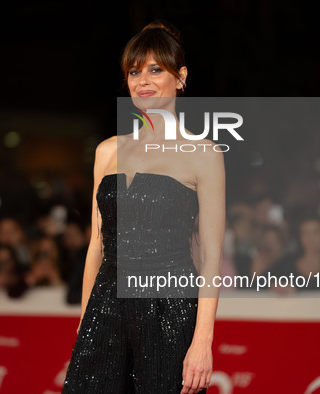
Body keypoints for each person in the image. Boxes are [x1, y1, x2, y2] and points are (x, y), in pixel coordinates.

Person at [62, 21, 225, 393]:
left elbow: (212, 256)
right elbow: (96, 246)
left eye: (155, 69)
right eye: (134, 71)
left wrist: (202, 342)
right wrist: (86, 318)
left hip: (169, 312)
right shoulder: (107, 151)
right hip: (105, 308)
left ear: (180, 77)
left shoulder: (204, 155)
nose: (142, 80)